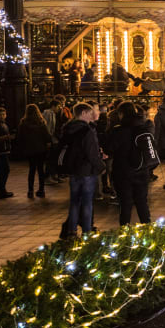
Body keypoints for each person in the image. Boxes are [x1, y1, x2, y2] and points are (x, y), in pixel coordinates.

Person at [106, 101, 154, 226]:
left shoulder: (118, 131)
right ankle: (148, 229)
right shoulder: (143, 128)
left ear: (121, 114)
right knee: (142, 202)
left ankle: (125, 231)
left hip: (122, 171)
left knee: (125, 204)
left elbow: (109, 149)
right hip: (141, 170)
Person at [62, 102, 103, 238]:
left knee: (74, 201)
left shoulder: (68, 128)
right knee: (87, 201)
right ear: (84, 113)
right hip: (86, 170)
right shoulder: (87, 131)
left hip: (73, 169)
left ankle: (72, 231)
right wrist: (100, 166)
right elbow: (91, 153)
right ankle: (87, 230)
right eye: (90, 112)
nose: (93, 114)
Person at [17, 104, 53, 199]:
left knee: (31, 170)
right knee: (40, 170)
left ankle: (30, 190)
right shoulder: (41, 122)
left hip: (29, 149)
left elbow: (20, 137)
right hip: (41, 149)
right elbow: (47, 136)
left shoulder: (23, 123)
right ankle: (41, 190)